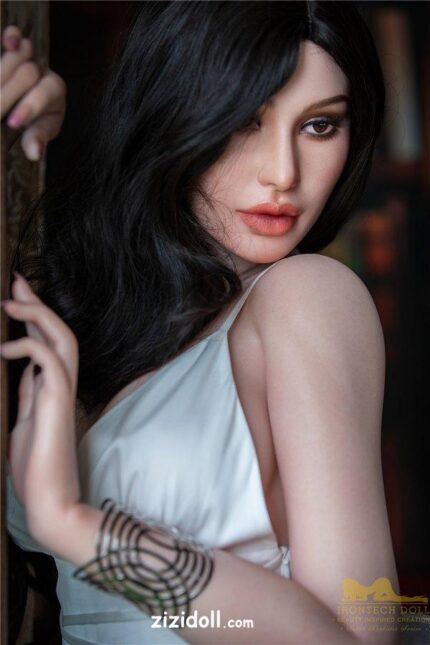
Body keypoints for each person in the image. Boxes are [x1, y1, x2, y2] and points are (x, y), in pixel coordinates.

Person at [2, 2, 400, 643]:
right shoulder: (99, 322)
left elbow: (365, 634)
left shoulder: (308, 296)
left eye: (319, 125)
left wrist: (77, 528)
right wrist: (15, 154)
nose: (283, 173)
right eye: (245, 119)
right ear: (171, 112)